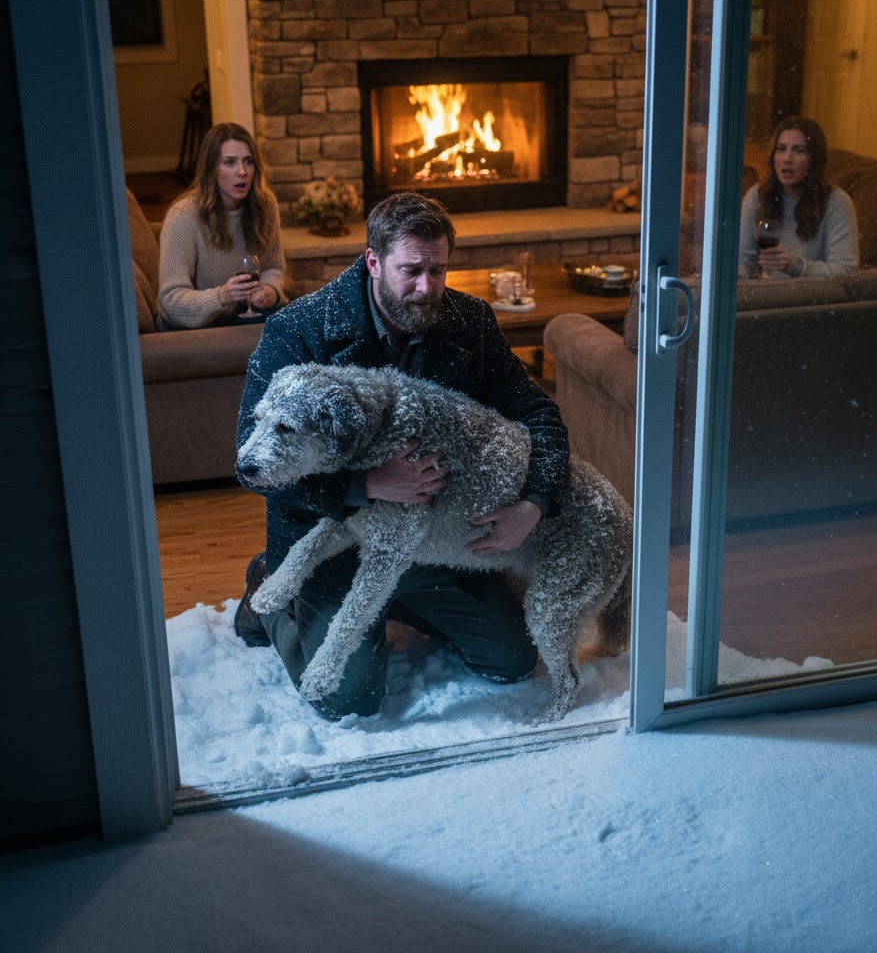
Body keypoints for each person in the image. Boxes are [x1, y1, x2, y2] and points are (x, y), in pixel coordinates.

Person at [233, 191, 570, 720]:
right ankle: (268, 590)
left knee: (511, 660)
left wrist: (536, 501)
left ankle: (401, 600)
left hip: (432, 537)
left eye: (438, 270)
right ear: (373, 261)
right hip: (335, 534)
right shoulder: (297, 329)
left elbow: (538, 414)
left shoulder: (472, 321)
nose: (427, 288)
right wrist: (364, 485)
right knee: (349, 697)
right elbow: (253, 466)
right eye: (411, 270)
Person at [158, 122, 287, 329]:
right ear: (211, 169)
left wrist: (270, 290)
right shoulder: (182, 217)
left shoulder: (265, 205)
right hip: (191, 326)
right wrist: (222, 296)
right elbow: (170, 301)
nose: (242, 171)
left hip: (241, 315)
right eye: (230, 162)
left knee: (294, 323)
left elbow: (273, 267)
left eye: (248, 161)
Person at [738, 115, 859, 279]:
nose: (787, 159)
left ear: (813, 160)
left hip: (810, 300)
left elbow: (846, 271)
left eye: (799, 151)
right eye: (781, 149)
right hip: (765, 297)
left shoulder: (836, 202)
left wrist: (793, 265)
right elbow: (741, 261)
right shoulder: (756, 196)